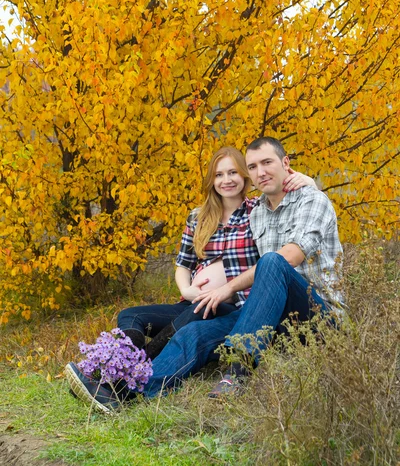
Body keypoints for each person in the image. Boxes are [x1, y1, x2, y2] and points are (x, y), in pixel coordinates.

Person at [65, 137, 331, 411]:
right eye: (254, 166)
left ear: (285, 163)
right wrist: (190, 289)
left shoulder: (307, 200)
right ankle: (125, 393)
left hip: (314, 315)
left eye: (267, 163)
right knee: (193, 334)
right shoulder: (261, 211)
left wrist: (308, 182)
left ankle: (238, 373)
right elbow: (186, 260)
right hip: (264, 312)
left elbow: (289, 257)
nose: (260, 172)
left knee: (273, 262)